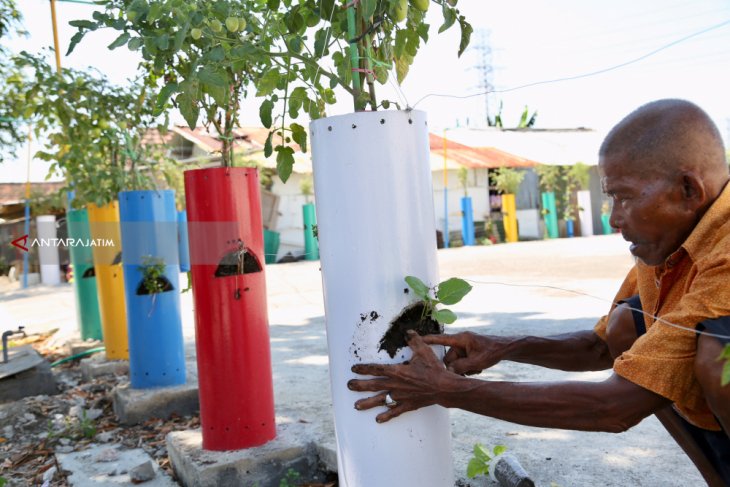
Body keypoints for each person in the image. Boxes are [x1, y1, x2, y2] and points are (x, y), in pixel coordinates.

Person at [348, 99, 730, 486]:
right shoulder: (668, 240)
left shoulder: (725, 254)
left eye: (626, 197)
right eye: (611, 197)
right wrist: (506, 346)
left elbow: (616, 406)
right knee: (628, 326)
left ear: (688, 189)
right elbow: (602, 347)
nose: (614, 218)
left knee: (717, 357)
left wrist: (449, 390)